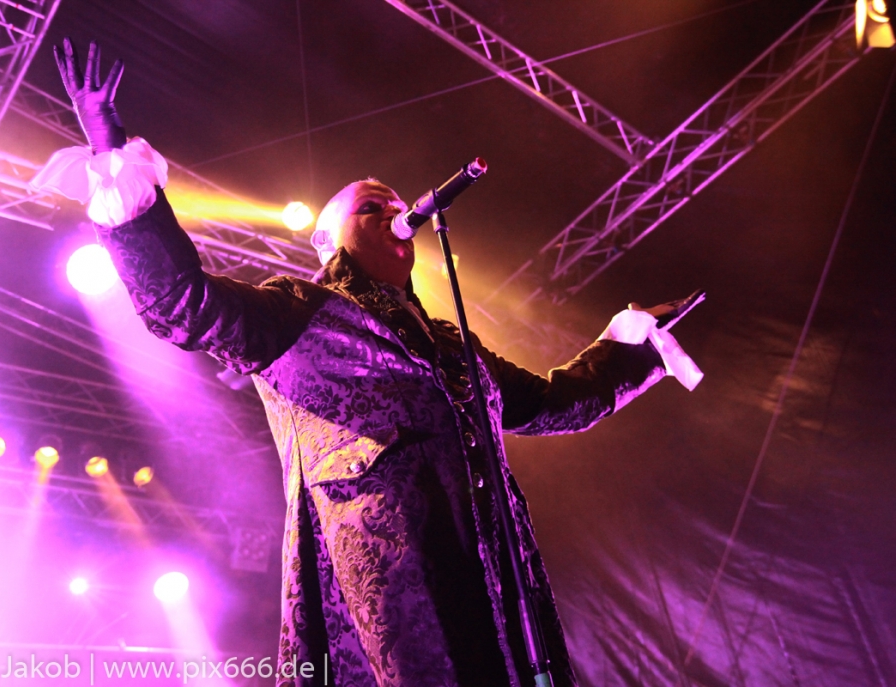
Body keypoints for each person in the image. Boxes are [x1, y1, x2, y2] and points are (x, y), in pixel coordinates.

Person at [34, 39, 702, 687]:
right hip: (389, 595)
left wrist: (633, 344)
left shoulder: (453, 345)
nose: (396, 212)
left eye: (398, 204)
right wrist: (112, 154)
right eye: (371, 207)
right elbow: (181, 304)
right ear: (328, 238)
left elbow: (553, 404)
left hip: (496, 584)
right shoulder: (299, 311)